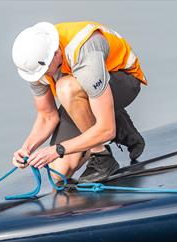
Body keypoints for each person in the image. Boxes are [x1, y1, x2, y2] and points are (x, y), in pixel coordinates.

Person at [11, 22, 147, 183]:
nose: (43, 76)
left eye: (46, 70)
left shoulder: (83, 51)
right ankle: (118, 121)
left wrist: (58, 149)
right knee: (58, 171)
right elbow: (47, 116)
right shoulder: (36, 65)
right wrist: (26, 148)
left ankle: (102, 157)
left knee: (65, 88)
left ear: (55, 53)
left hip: (122, 81)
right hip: (87, 92)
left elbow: (106, 130)